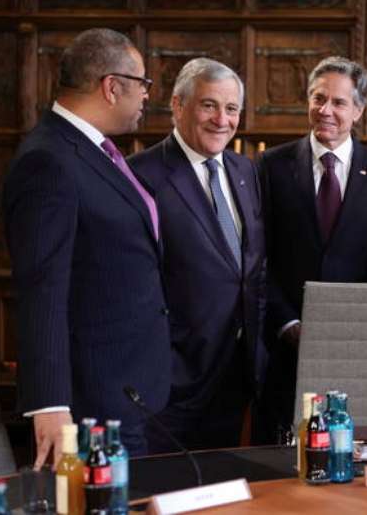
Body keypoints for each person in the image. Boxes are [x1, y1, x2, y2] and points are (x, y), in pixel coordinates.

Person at [2, 28, 169, 464]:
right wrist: (50, 404)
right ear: (112, 87)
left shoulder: (96, 151)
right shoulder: (48, 160)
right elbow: (42, 290)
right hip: (92, 400)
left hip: (130, 387)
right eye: (143, 85)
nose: (147, 96)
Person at [254, 56, 367, 444]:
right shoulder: (270, 166)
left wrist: (349, 329)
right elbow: (258, 257)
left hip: (354, 346)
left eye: (338, 102)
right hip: (283, 345)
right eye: (318, 99)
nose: (326, 111)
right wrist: (288, 323)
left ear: (358, 109)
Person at [129, 58, 266, 451]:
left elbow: (251, 266)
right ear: (177, 105)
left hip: (237, 373)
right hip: (173, 379)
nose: (222, 119)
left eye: (232, 108)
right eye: (209, 105)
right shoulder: (142, 175)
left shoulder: (244, 170)